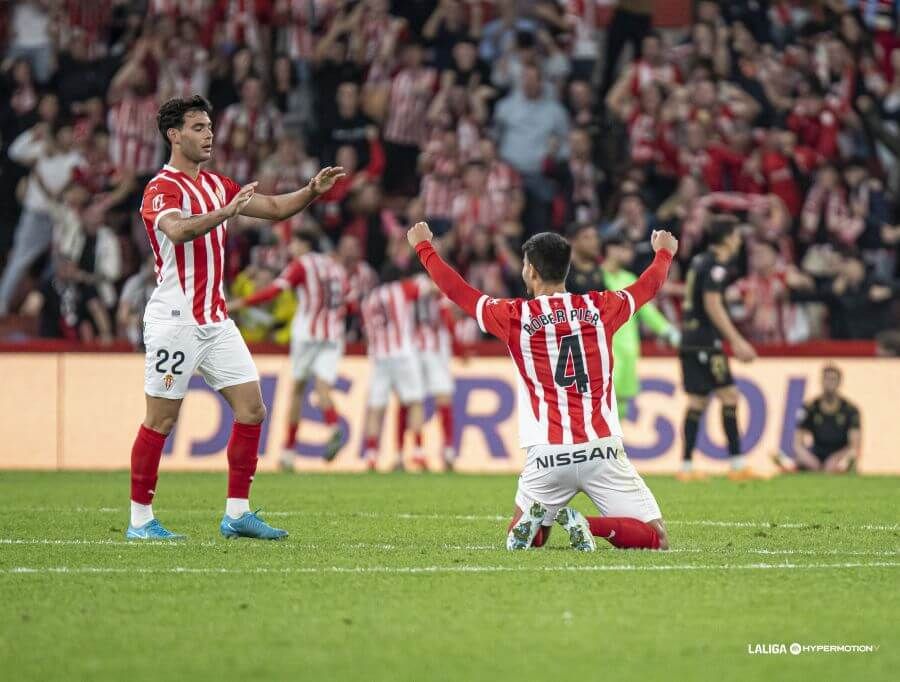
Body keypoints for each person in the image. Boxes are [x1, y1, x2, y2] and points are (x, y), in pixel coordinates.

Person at [128, 94, 344, 540]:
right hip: (175, 319)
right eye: (198, 128)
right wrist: (225, 213)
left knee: (252, 409)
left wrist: (310, 190)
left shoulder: (216, 183)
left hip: (216, 320)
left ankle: (237, 514)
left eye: (209, 127)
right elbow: (179, 229)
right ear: (174, 135)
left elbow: (276, 208)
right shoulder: (161, 188)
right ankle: (140, 521)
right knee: (161, 421)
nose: (209, 135)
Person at [408, 221, 676, 552]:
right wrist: (664, 252)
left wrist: (424, 248)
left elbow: (458, 291)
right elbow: (650, 284)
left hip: (547, 456)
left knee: (529, 537)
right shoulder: (601, 307)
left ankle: (538, 521)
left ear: (531, 271)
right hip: (602, 449)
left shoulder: (513, 316)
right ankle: (585, 523)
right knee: (656, 538)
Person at [229, 229, 349, 471]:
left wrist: (240, 303)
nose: (291, 246)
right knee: (323, 388)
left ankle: (289, 452)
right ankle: (334, 425)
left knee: (297, 390)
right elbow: (346, 297)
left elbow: (275, 290)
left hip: (307, 333)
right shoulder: (336, 268)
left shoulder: (302, 265)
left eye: (294, 242)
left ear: (305, 244)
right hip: (333, 334)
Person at [678, 220, 763, 481]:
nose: (739, 241)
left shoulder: (699, 261)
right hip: (706, 340)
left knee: (698, 401)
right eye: (737, 235)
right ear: (727, 238)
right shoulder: (716, 265)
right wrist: (736, 340)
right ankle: (737, 465)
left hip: (690, 337)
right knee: (729, 395)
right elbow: (712, 303)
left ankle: (687, 467)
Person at [598, 233, 680, 420]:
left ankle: (617, 447)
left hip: (629, 350)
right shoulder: (597, 277)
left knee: (622, 403)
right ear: (610, 249)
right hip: (605, 349)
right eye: (624, 248)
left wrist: (668, 331)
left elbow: (646, 311)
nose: (630, 253)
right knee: (602, 402)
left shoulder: (628, 277)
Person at [361, 276, 429, 472]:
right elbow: (430, 288)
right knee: (415, 402)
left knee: (376, 408)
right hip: (403, 355)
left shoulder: (369, 299)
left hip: (379, 357)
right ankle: (417, 452)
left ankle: (372, 456)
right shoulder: (402, 289)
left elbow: (366, 331)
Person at [775, 365, 861, 473]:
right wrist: (810, 460)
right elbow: (797, 443)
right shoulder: (809, 408)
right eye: (826, 379)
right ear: (821, 381)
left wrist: (836, 459)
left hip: (840, 453)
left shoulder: (850, 410)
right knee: (798, 459)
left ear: (840, 382)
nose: (829, 382)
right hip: (817, 453)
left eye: (833, 379)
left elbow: (854, 446)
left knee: (849, 461)